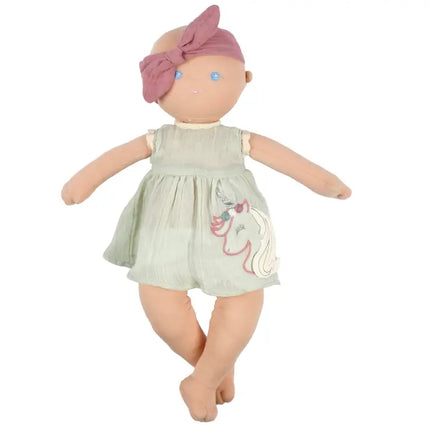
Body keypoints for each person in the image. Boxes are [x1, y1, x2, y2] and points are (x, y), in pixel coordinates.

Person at [61, 5, 351, 422]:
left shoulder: (237, 140)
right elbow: (112, 160)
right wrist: (81, 185)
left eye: (215, 77)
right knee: (158, 302)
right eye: (179, 76)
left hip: (232, 227)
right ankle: (213, 368)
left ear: (244, 80)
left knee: (246, 297)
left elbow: (289, 161)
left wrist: (325, 183)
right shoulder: (158, 140)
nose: (196, 85)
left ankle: (202, 379)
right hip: (166, 230)